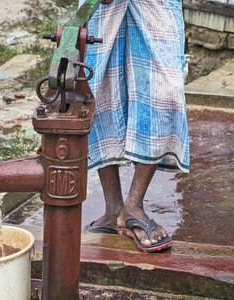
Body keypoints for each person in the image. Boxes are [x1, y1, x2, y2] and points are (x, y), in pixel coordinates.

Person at [81, 0, 190, 253]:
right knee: (98, 87)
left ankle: (134, 205)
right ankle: (114, 209)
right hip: (105, 6)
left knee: (164, 92)